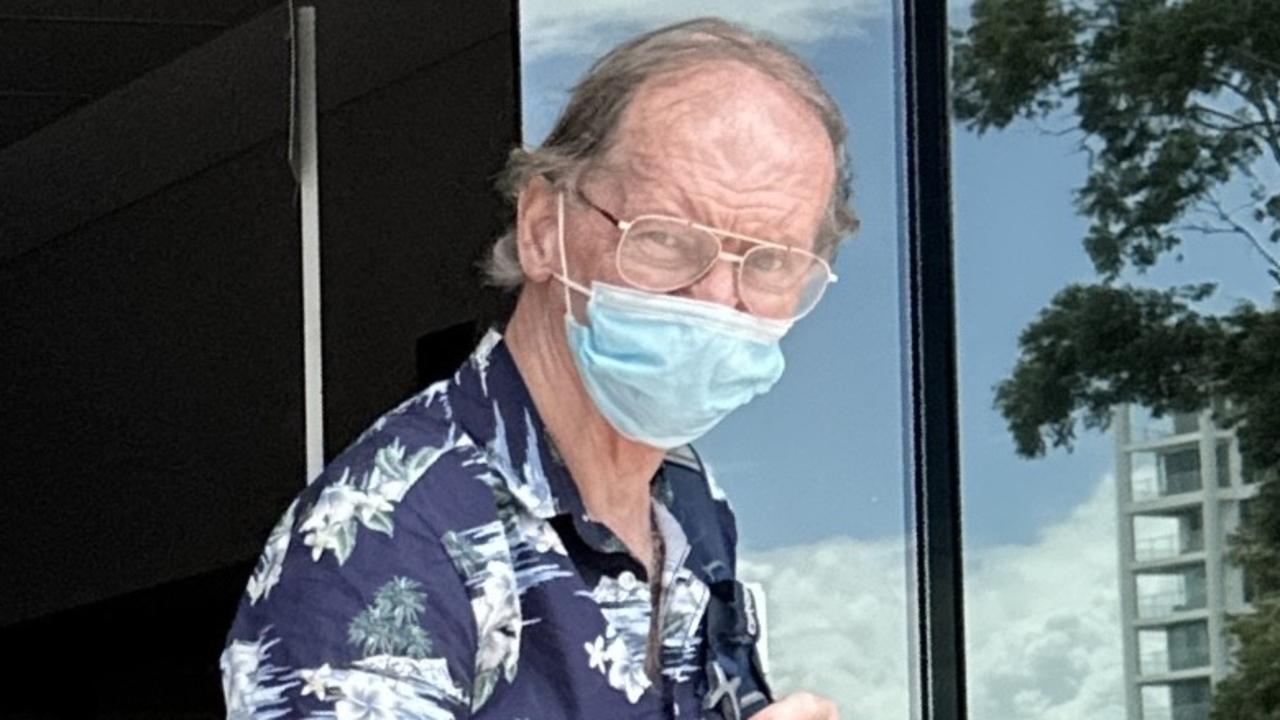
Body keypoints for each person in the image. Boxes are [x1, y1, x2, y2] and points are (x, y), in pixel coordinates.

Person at [220, 16, 858, 720]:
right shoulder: (386, 531)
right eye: (667, 239)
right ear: (541, 228)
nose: (717, 301)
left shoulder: (687, 500)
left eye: (769, 262)